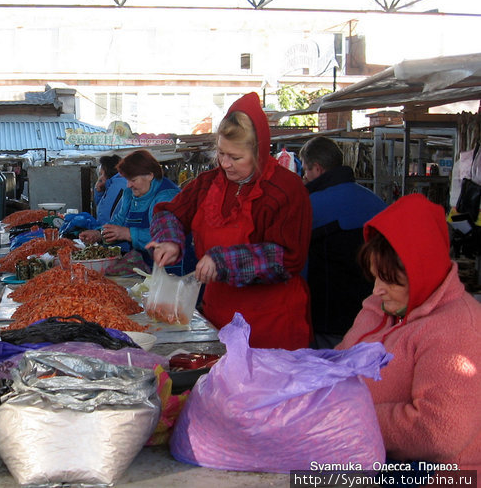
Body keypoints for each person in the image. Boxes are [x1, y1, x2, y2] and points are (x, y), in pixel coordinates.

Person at [147, 92, 312, 350]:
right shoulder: (207, 183)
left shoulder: (285, 189)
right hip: (218, 319)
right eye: (221, 153)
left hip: (269, 326)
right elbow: (169, 213)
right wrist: (170, 241)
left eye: (236, 158)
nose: (225, 164)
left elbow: (286, 257)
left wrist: (222, 261)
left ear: (258, 151)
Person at [336, 194, 481, 476]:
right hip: (364, 456)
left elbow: (440, 432)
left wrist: (344, 416)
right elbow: (341, 360)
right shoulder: (381, 307)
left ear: (421, 274)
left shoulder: (457, 328)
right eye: (375, 275)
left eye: (389, 280)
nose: (377, 289)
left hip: (434, 476)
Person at [299, 136, 387, 348]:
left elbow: (297, 267)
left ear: (318, 169)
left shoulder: (308, 207)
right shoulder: (376, 202)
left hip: (328, 323)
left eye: (306, 170)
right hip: (375, 318)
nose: (304, 177)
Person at [79, 149, 181, 271]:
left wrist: (128, 234)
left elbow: (167, 236)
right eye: (127, 180)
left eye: (133, 180)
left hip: (172, 269)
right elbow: (119, 220)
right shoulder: (130, 193)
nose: (128, 185)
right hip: (144, 265)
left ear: (150, 175)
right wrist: (99, 234)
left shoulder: (167, 197)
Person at [93, 154, 126, 225]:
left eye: (101, 174)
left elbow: (105, 216)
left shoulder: (118, 185)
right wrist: (99, 192)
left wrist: (98, 231)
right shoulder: (110, 185)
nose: (100, 178)